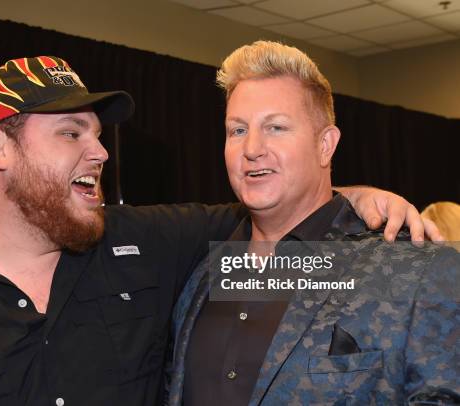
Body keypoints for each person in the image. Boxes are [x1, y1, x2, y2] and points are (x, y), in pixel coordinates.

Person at [0, 55, 442, 406]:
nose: (100, 152)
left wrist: (350, 196)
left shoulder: (152, 248)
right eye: (71, 133)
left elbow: (291, 237)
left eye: (98, 134)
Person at [167, 41, 459, 405]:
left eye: (275, 127)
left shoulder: (416, 269)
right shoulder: (202, 274)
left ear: (325, 145)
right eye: (237, 130)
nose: (252, 148)